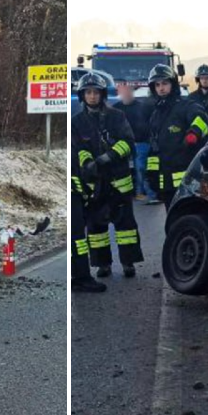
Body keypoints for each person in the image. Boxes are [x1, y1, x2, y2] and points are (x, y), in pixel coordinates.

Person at [71, 72, 143, 279]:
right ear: (82, 95)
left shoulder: (117, 116)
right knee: (96, 228)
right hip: (95, 184)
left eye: (96, 92)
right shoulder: (77, 121)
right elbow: (78, 148)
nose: (92, 96)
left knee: (126, 226)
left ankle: (128, 262)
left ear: (102, 94)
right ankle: (103, 264)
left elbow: (128, 143)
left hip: (118, 180)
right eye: (88, 92)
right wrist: (88, 163)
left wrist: (108, 157)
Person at [145, 64, 208, 210]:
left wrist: (193, 133)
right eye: (157, 85)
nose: (161, 88)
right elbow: (154, 147)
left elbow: (202, 118)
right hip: (167, 184)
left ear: (173, 84)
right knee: (172, 220)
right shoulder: (155, 115)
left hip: (189, 182)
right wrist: (151, 173)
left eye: (165, 83)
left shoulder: (186, 105)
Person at [70, 128, 106, 294]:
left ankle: (78, 275)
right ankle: (81, 277)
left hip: (75, 194)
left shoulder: (74, 137)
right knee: (77, 239)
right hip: (72, 195)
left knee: (76, 238)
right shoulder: (74, 135)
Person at [112, 80, 154, 203]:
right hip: (122, 145)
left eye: (128, 90)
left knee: (141, 168)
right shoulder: (116, 109)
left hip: (141, 143)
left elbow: (151, 124)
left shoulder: (142, 107)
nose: (126, 93)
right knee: (127, 170)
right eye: (122, 90)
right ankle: (131, 193)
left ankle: (144, 193)